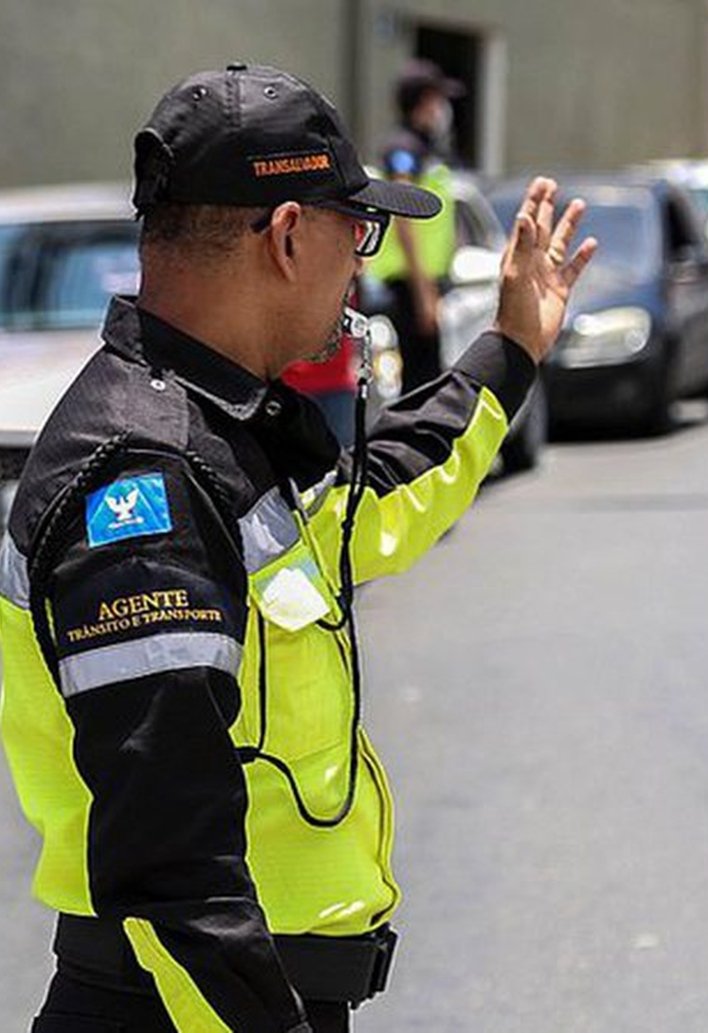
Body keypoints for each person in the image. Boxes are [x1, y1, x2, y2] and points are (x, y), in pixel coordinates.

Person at [0, 62, 595, 1032]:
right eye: (353, 231)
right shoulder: (143, 478)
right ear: (285, 236)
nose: (361, 264)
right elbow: (175, 875)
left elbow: (383, 499)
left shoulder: (215, 430)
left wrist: (512, 348)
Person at [370, 59, 464, 391]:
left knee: (429, 376)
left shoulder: (424, 148)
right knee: (419, 384)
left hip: (422, 282)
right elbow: (403, 217)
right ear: (424, 101)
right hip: (408, 285)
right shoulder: (403, 148)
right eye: (439, 99)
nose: (443, 108)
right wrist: (423, 292)